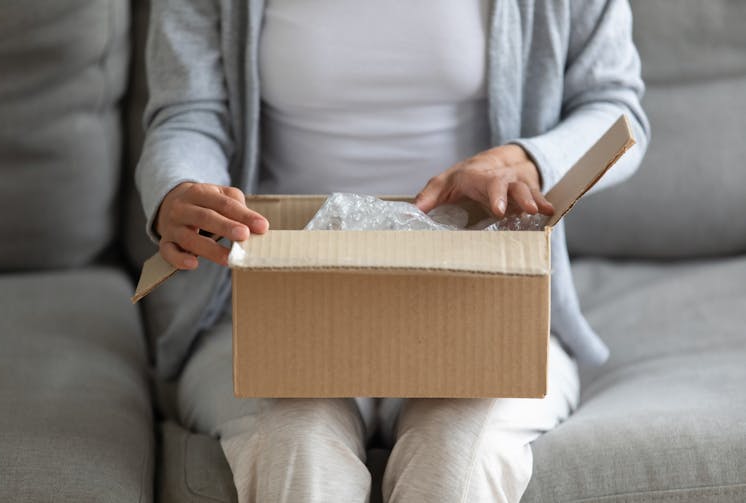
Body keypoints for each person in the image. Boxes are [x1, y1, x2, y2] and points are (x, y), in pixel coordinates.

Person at [136, 0, 649, 501]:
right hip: (274, 302)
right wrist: (178, 192)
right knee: (298, 450)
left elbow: (616, 109)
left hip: (486, 303)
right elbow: (188, 115)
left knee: (456, 461)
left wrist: (528, 162)